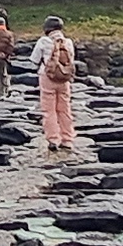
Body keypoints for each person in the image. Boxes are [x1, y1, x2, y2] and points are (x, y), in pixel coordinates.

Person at [34, 16, 82, 157]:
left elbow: (34, 59)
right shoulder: (68, 42)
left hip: (47, 77)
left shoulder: (43, 41)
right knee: (65, 109)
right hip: (64, 79)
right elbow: (71, 60)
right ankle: (67, 139)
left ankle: (53, 139)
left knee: (49, 110)